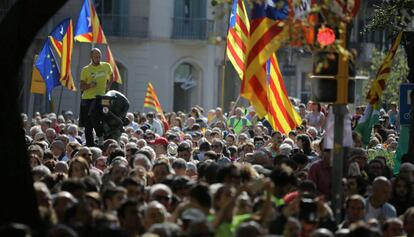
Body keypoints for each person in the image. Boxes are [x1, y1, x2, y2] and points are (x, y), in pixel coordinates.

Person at [79, 48, 113, 147]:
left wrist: (108, 86)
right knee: (88, 125)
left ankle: (100, 135)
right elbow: (81, 87)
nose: (98, 59)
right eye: (96, 57)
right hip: (87, 98)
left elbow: (111, 76)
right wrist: (90, 85)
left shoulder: (106, 66)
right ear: (91, 57)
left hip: (100, 97)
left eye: (99, 57)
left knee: (93, 115)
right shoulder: (85, 69)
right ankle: (90, 145)